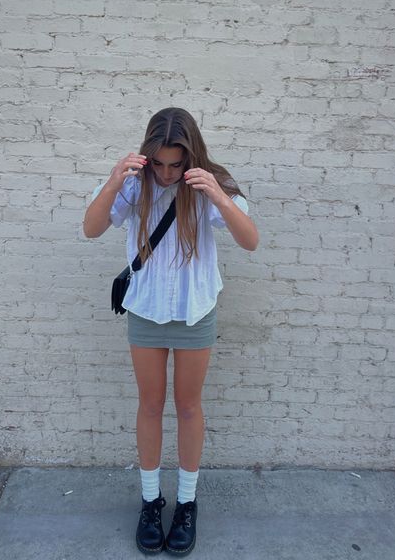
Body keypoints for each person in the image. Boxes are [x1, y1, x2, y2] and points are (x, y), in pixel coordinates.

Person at [83, 107, 259, 556]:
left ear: (190, 156)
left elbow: (250, 239)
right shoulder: (134, 184)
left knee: (187, 406)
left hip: (194, 309)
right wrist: (113, 179)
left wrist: (217, 195)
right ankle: (149, 500)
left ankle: (185, 502)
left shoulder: (207, 185)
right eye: (158, 163)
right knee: (150, 404)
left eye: (175, 164)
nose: (165, 173)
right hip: (145, 309)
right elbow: (91, 228)